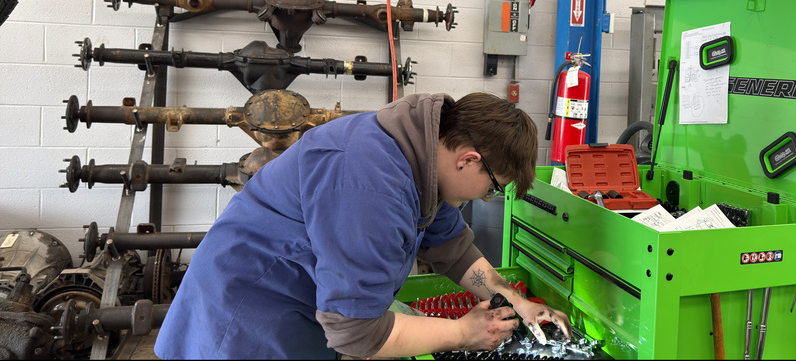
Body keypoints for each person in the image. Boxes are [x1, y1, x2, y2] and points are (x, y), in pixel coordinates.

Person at [153, 92, 571, 359]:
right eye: (493, 188)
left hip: (300, 307)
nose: (486, 199)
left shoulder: (423, 157)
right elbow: (357, 334)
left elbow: (452, 248)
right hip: (246, 316)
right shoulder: (373, 184)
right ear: (468, 160)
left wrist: (512, 298)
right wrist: (463, 333)